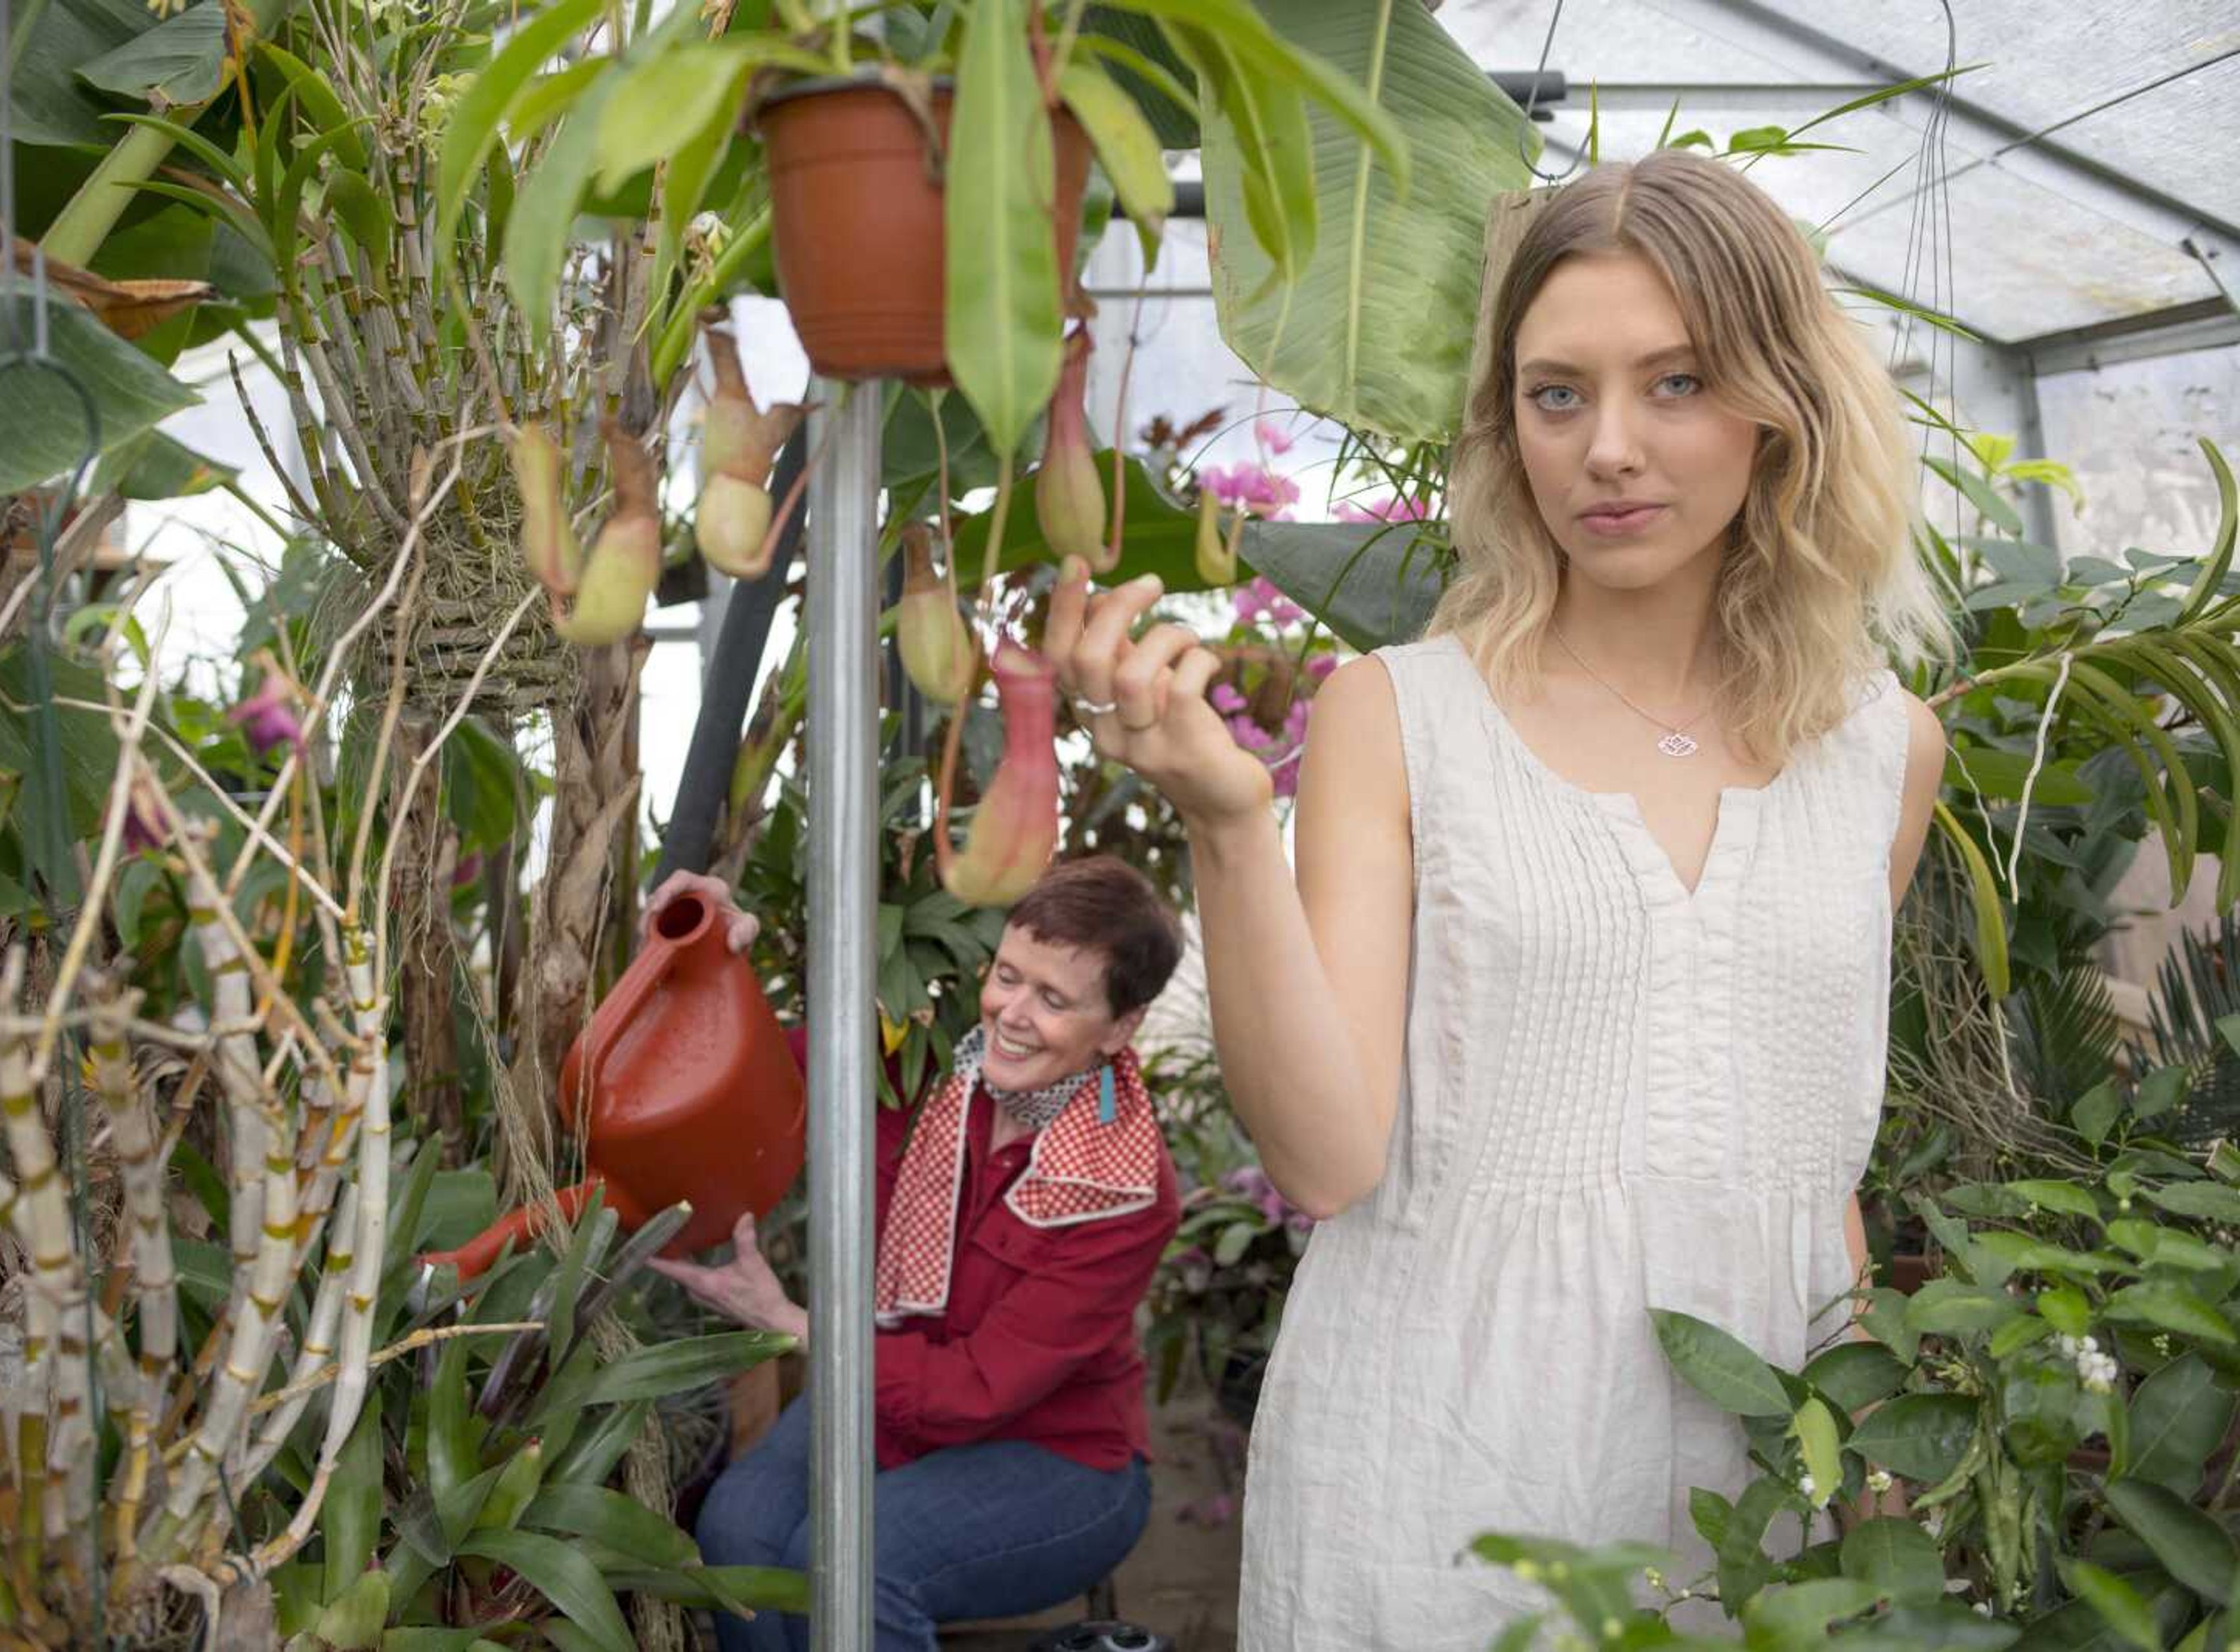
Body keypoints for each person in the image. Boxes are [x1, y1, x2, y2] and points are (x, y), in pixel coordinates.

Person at [1039, 149, 1950, 1644]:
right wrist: (1221, 818)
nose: (1605, 446)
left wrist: (1878, 1495)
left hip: (1752, 1473)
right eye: (1554, 392)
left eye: (1674, 382)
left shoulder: (1878, 750)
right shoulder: (1403, 715)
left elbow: (1802, 1146)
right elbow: (1328, 1155)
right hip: (1441, 1460)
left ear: (1779, 403)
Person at [644, 855, 1185, 1651]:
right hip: (886, 1397)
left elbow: (973, 1392)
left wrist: (792, 1324)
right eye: (1008, 975)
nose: (1011, 1012)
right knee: (738, 1534)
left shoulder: (1125, 1188)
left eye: (1054, 998)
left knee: (857, 1566)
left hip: (1058, 1456)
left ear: (1120, 1026)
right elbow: (753, 1059)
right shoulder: (922, 1066)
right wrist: (704, 953)